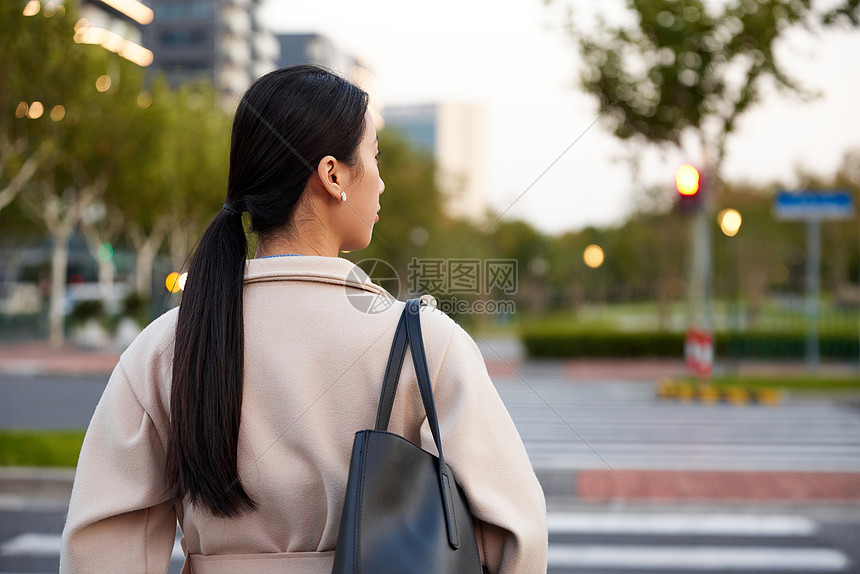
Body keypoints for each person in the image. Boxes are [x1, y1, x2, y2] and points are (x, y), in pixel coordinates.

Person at [60, 65, 547, 573]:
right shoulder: (425, 343)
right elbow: (515, 533)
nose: (382, 182)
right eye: (375, 158)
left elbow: (100, 551)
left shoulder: (166, 346)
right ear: (332, 174)